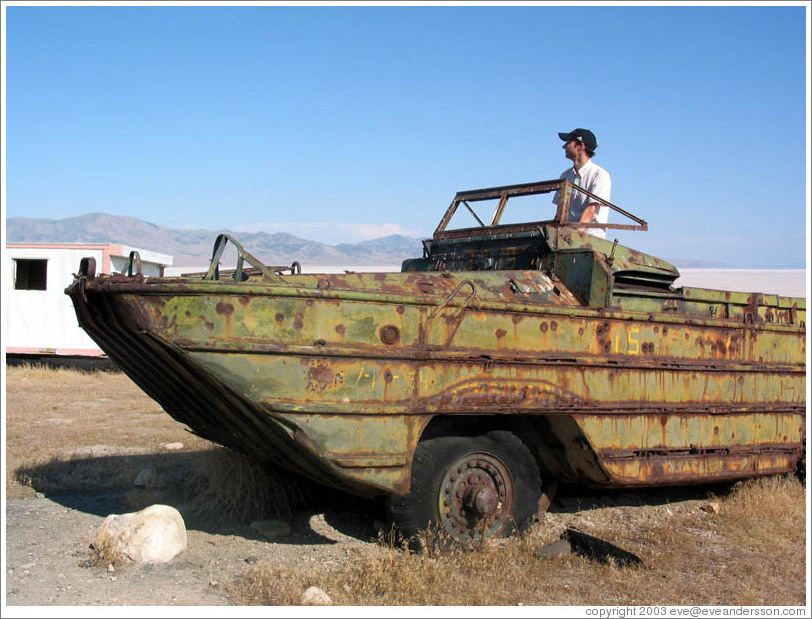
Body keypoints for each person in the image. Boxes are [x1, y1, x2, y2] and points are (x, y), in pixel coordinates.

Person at [552, 128, 612, 239]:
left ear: (580, 146)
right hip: (566, 237)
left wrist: (574, 237)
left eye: (568, 142)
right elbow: (558, 213)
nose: (564, 146)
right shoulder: (565, 176)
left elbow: (591, 210)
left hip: (589, 240)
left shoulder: (600, 175)